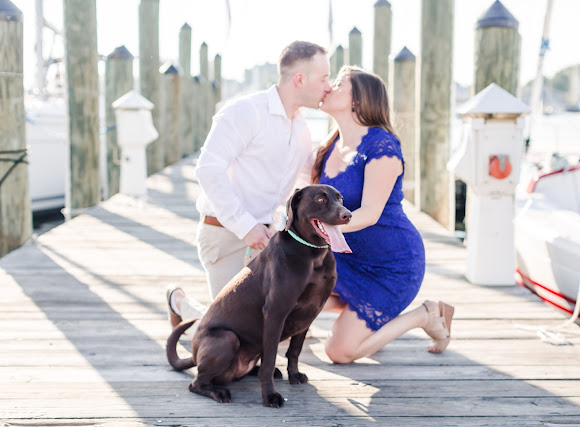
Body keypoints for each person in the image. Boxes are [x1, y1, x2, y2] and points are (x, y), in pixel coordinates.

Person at [167, 41, 332, 327]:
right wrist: (245, 226)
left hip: (268, 241)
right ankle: (180, 303)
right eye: (324, 78)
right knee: (233, 340)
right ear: (300, 79)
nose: (328, 86)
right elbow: (208, 169)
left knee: (271, 335)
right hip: (224, 235)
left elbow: (307, 184)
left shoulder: (302, 128)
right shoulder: (245, 112)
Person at [312, 66, 455, 363]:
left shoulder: (381, 146)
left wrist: (320, 230)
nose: (328, 88)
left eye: (338, 84)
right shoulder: (329, 147)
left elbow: (369, 214)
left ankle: (425, 315)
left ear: (358, 101)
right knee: (291, 293)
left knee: (338, 351)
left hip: (391, 266)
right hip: (346, 258)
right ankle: (372, 322)